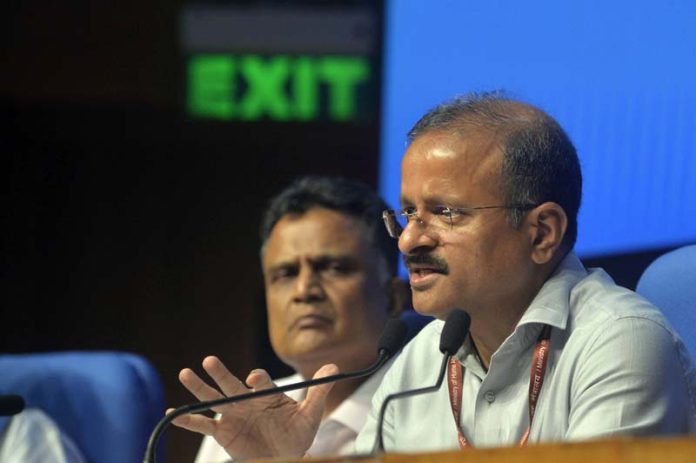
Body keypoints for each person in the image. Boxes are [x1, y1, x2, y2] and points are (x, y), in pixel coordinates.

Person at [172, 93, 696, 458]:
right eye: (407, 214)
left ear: (541, 233)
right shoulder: (422, 360)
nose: (408, 241)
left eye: (446, 214)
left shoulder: (618, 342)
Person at [178, 177, 410, 462]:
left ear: (394, 297)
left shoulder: (432, 408)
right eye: (286, 274)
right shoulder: (245, 417)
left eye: (334, 268)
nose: (304, 291)